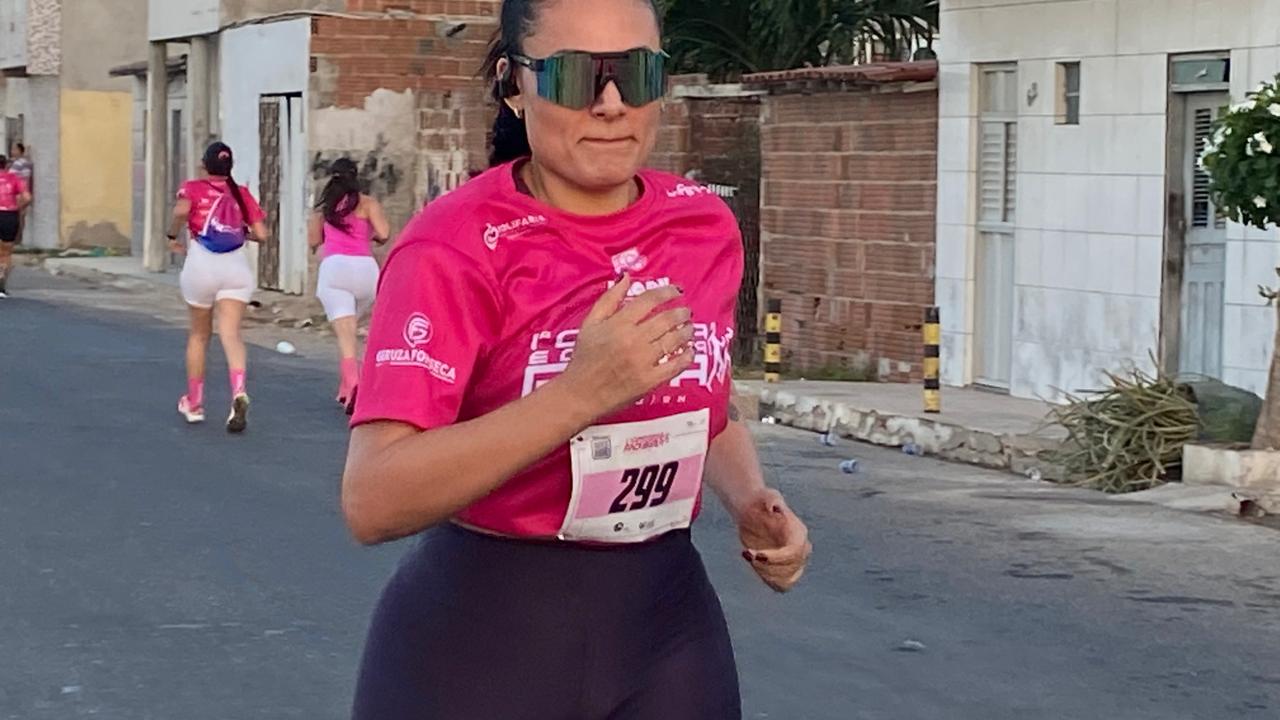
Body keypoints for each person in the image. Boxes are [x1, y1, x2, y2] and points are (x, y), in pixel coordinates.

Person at [341, 1, 812, 718]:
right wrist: (580, 393)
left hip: (666, 633)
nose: (611, 103)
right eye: (576, 77)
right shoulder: (453, 246)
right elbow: (373, 500)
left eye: (637, 73)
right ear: (515, 84)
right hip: (483, 646)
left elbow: (705, 400)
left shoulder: (703, 225)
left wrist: (749, 498)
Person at [167, 142, 269, 433]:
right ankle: (239, 391)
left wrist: (171, 236)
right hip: (236, 269)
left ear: (204, 165)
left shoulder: (193, 188)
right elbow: (262, 234)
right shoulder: (241, 193)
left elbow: (181, 211)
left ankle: (194, 403)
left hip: (202, 266)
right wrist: (241, 231)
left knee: (199, 335)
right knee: (231, 335)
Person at [308, 158, 392, 412]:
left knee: (346, 335)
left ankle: (354, 383)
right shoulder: (368, 203)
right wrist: (369, 235)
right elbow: (384, 234)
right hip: (366, 271)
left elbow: (313, 241)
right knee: (354, 326)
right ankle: (345, 388)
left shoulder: (324, 208)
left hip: (336, 269)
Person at [0, 154, 32, 299]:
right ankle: (1, 286)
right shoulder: (14, 178)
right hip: (9, 215)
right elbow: (27, 197)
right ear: (6, 165)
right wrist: (19, 207)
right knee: (6, 253)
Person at [9, 143, 32, 246]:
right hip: (23, 191)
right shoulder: (24, 162)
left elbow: (11, 177)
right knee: (20, 215)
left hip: (19, 192)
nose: (12, 151)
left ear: (19, 150)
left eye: (14, 149)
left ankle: (17, 239)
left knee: (18, 216)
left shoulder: (19, 163)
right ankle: (18, 239)